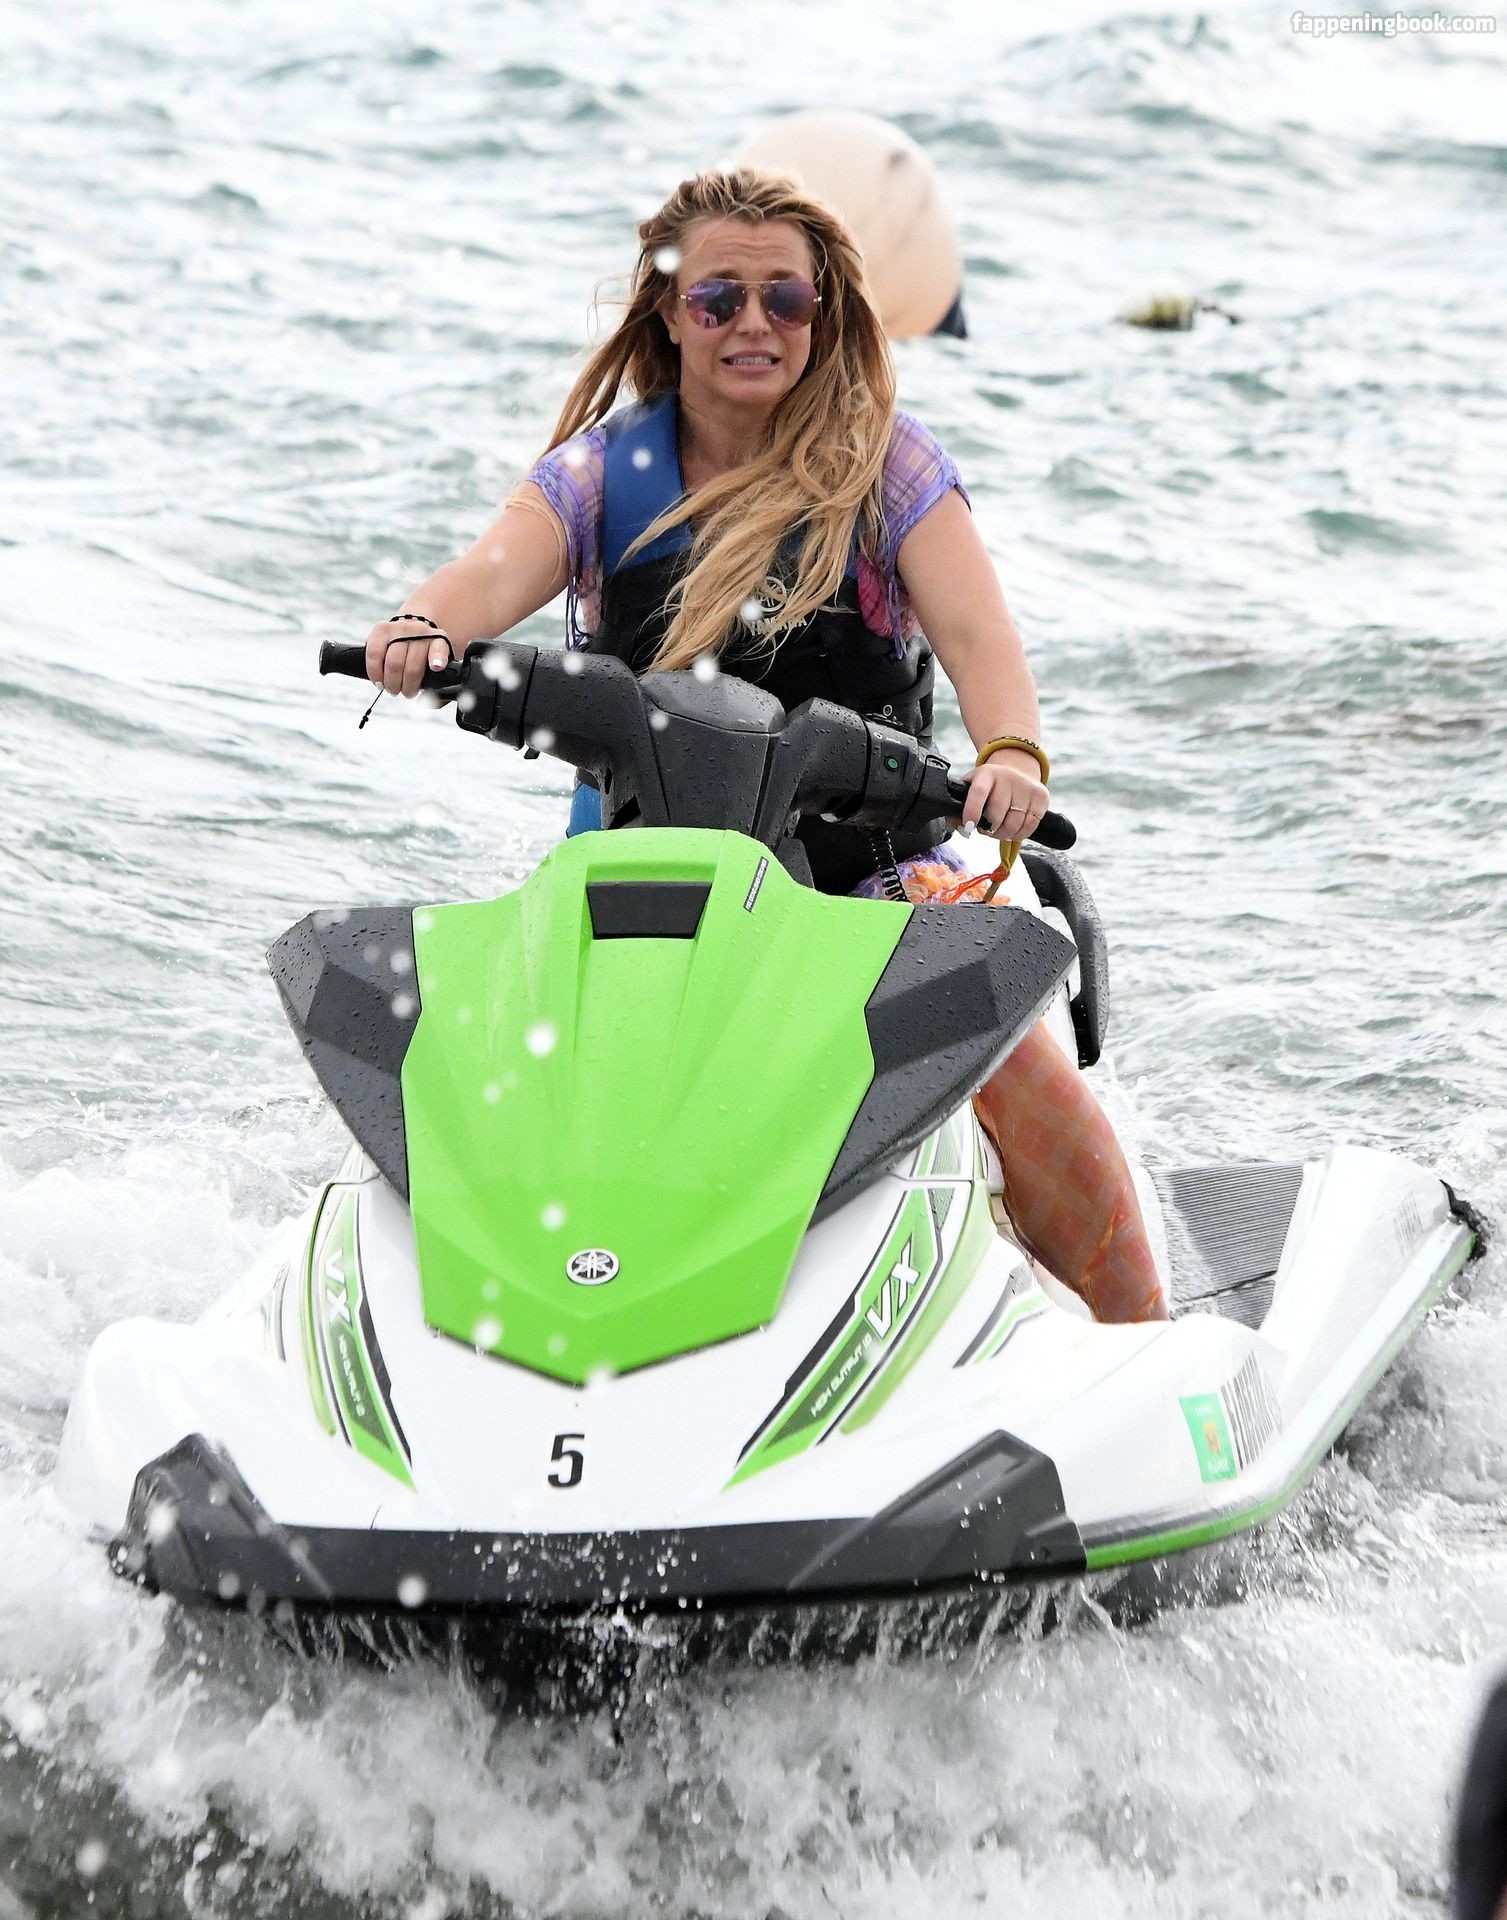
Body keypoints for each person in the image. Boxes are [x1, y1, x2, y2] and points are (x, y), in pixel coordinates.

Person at [363, 166, 1167, 1325]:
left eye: (783, 299)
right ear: (668, 311)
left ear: (821, 311)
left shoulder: (887, 469)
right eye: (718, 299)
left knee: (1023, 1083)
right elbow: (486, 576)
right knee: (480, 1077)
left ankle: (1146, 1337)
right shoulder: (601, 474)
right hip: (641, 887)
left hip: (867, 884)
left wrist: (1011, 756)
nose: (753, 324)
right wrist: (422, 626)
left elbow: (981, 640)